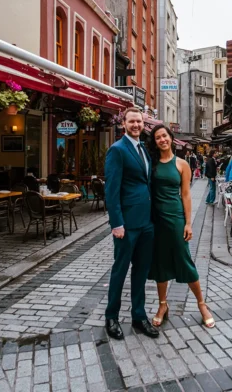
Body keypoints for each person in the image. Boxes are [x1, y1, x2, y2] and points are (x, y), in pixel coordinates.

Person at [147, 125, 216, 329]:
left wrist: (188, 223)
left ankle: (202, 304)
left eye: (165, 136)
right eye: (158, 137)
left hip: (175, 218)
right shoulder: (152, 163)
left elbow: (185, 194)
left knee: (184, 259)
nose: (162, 140)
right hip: (156, 220)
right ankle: (162, 305)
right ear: (155, 141)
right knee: (160, 263)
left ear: (171, 138)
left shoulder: (182, 164)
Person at [102, 106, 158, 340]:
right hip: (127, 224)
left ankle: (139, 315)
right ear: (123, 123)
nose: (136, 125)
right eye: (132, 122)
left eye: (139, 122)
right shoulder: (117, 150)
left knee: (141, 271)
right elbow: (111, 190)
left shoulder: (143, 148)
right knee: (120, 270)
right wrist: (116, 224)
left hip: (146, 223)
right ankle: (111, 317)